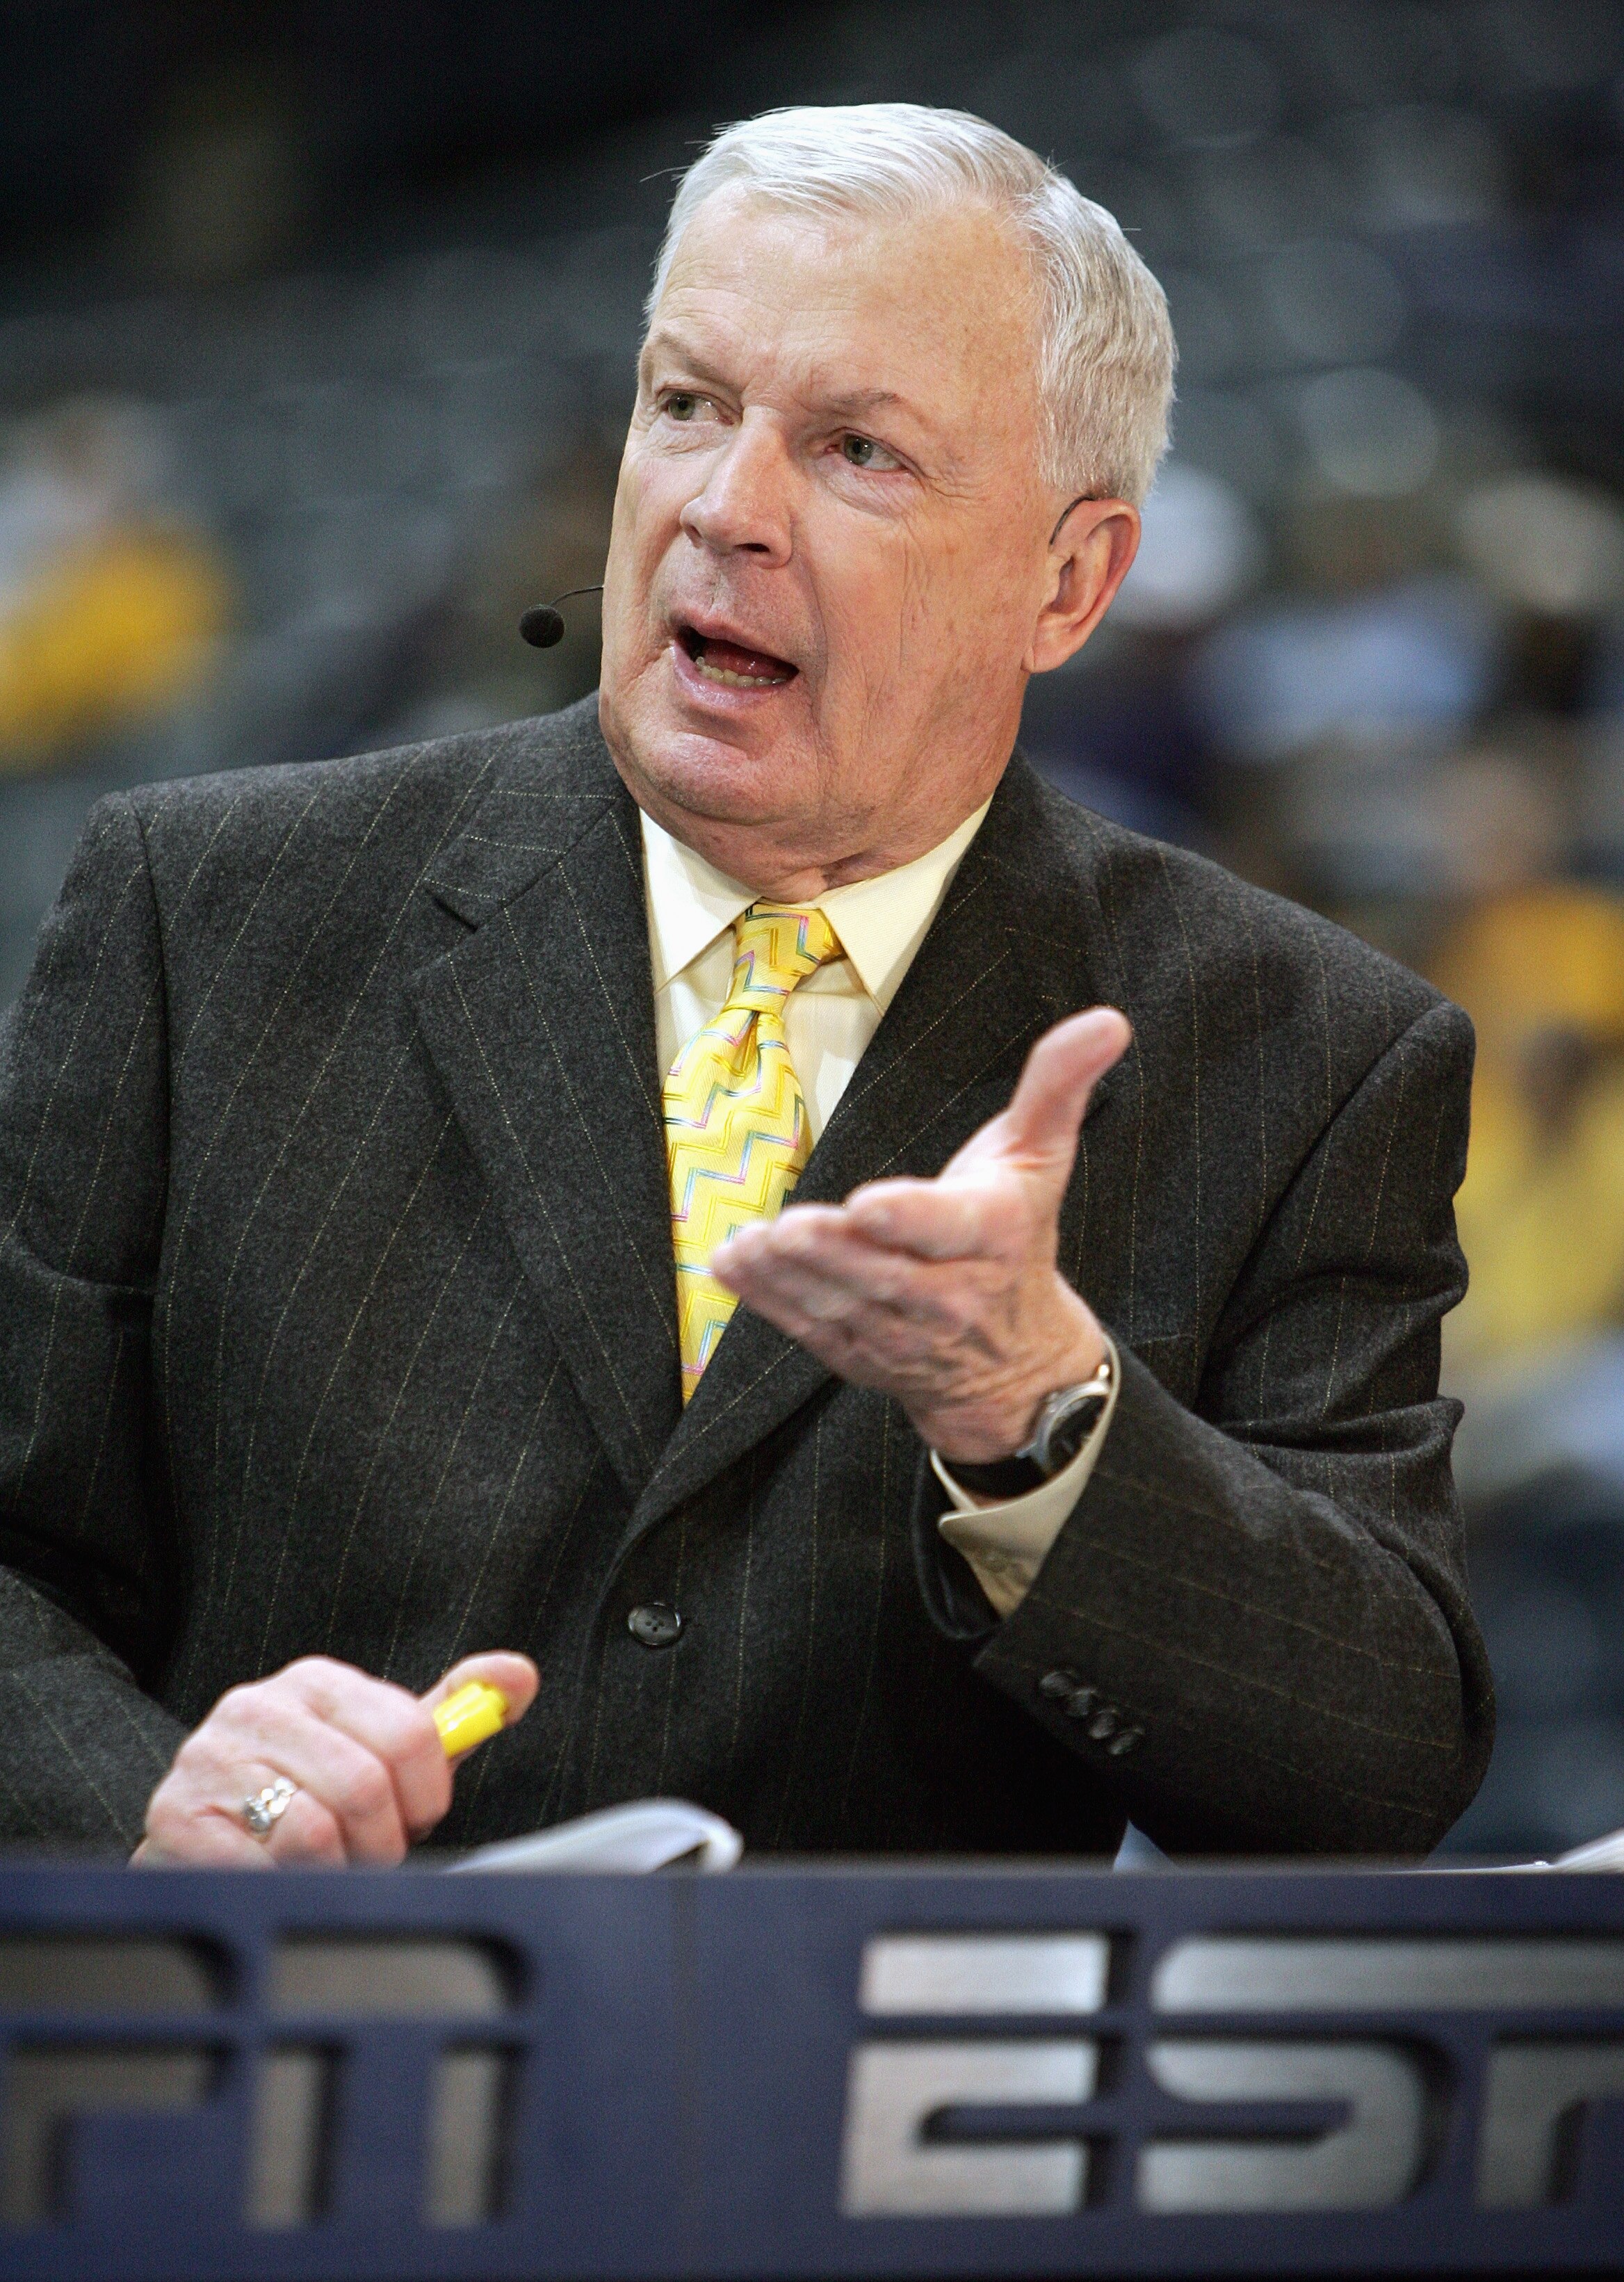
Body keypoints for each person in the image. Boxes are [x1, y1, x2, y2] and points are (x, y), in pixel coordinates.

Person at [0, 104, 1491, 1866]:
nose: (721, 508)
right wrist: (148, 1817)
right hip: (287, 2086)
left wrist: (1038, 1419)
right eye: (686, 404)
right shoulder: (213, 911)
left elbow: (1378, 1763)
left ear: (1067, 580)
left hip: (879, 2124)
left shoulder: (1305, 1052)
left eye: (857, 449)